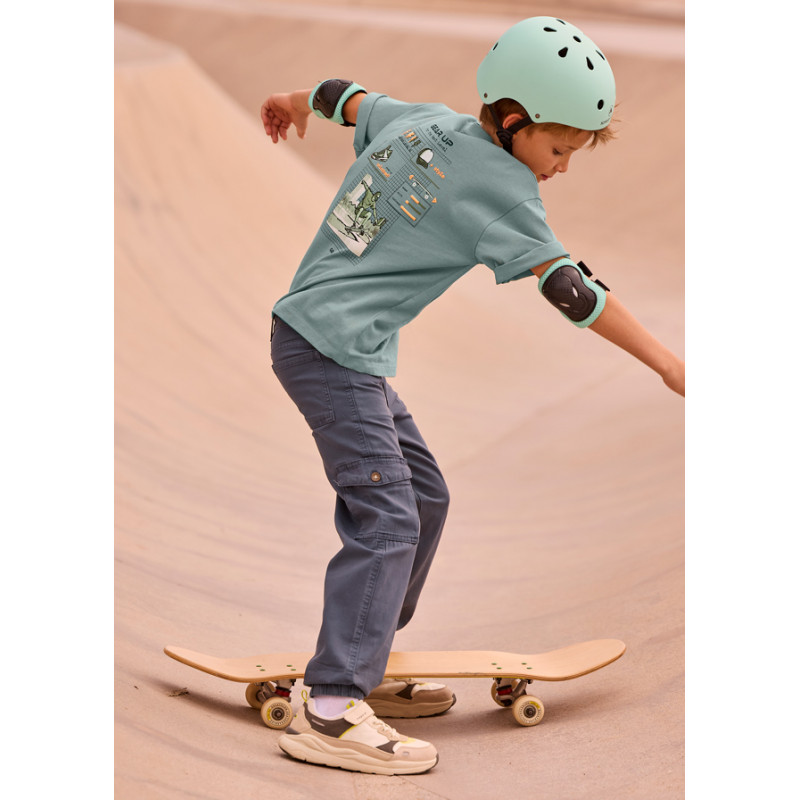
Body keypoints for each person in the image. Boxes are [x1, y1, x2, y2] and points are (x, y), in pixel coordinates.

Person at [260, 16, 684, 776]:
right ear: (515, 121)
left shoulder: (423, 120)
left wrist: (290, 103)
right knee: (389, 518)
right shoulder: (505, 191)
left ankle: (365, 657)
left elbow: (343, 96)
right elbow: (573, 291)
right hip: (332, 356)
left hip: (325, 344)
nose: (561, 168)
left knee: (425, 496)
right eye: (559, 149)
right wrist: (667, 364)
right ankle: (329, 707)